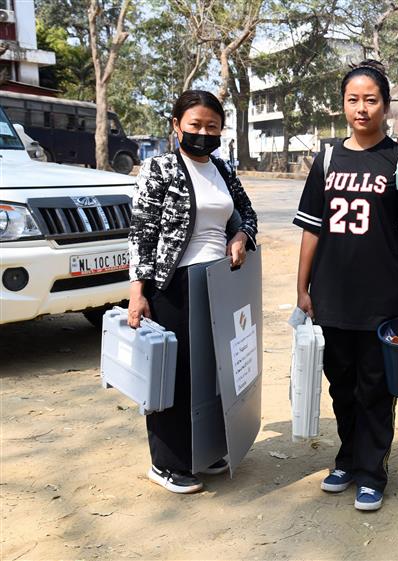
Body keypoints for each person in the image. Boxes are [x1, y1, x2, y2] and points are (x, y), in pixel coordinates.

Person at [293, 60, 398, 511]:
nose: (362, 108)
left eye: (371, 99)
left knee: (376, 386)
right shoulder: (328, 158)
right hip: (333, 296)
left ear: (386, 106)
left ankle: (373, 471)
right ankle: (348, 459)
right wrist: (303, 288)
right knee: (341, 384)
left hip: (383, 297)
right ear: (342, 105)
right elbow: (311, 229)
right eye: (353, 99)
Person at [127, 90, 258, 494]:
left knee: (212, 373)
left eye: (212, 127)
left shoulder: (222, 168)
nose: (203, 133)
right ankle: (167, 463)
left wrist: (240, 236)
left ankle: (204, 449)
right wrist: (138, 291)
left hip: (218, 283)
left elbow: (248, 214)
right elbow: (141, 233)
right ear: (176, 126)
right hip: (174, 284)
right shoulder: (160, 168)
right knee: (175, 377)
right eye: (195, 125)